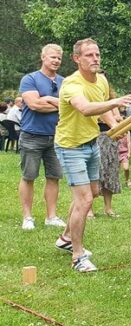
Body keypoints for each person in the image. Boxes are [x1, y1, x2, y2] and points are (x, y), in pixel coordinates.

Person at [53, 38, 131, 272]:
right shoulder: (72, 84)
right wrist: (116, 101)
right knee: (85, 201)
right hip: (70, 146)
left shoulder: (101, 79)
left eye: (97, 54)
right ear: (77, 59)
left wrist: (115, 126)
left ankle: (65, 238)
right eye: (89, 55)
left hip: (91, 143)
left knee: (92, 192)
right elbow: (85, 108)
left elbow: (103, 110)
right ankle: (78, 256)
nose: (95, 59)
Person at [18, 44, 66, 231]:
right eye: (52, 57)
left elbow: (70, 106)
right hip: (32, 135)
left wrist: (49, 100)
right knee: (29, 176)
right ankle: (27, 217)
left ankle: (51, 216)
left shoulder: (65, 82)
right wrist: (59, 104)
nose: (56, 61)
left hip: (57, 136)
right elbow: (35, 104)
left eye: (59, 58)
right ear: (43, 57)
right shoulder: (30, 79)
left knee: (54, 176)